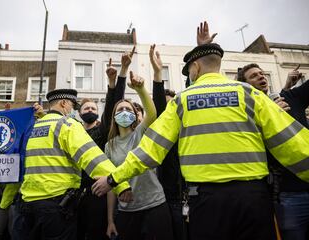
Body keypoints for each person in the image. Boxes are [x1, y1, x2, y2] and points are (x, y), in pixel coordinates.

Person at [92, 36, 309, 240]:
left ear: (195, 67)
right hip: (254, 200)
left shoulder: (182, 101)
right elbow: (294, 144)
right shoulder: (249, 94)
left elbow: (149, 150)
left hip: (206, 202)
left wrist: (113, 178)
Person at [19, 89, 131, 240]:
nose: (72, 111)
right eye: (72, 106)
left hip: (26, 206)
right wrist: (121, 184)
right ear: (63, 103)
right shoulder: (66, 124)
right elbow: (91, 156)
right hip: (56, 206)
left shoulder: (32, 128)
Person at [238, 63, 309, 239]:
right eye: (254, 76)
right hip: (289, 195)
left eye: (262, 73)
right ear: (245, 85)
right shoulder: (247, 115)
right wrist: (272, 116)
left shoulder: (290, 97)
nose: (261, 76)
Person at [105, 71, 173, 240]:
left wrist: (141, 89)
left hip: (155, 206)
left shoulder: (140, 133)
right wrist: (110, 220)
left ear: (135, 116)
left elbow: (151, 114)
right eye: (120, 110)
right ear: (114, 117)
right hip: (127, 211)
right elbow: (110, 185)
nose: (125, 112)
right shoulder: (109, 146)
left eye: (129, 109)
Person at [77, 47, 134, 240]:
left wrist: (115, 81)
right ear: (80, 113)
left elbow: (112, 106)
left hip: (98, 193)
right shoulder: (73, 131)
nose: (91, 110)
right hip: (75, 195)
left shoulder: (101, 131)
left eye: (94, 107)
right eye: (87, 107)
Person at [150, 43, 186, 240]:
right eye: (166, 106)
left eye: (173, 104)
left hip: (196, 197)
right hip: (168, 199)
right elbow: (158, 104)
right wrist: (157, 74)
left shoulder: (189, 128)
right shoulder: (164, 134)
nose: (169, 109)